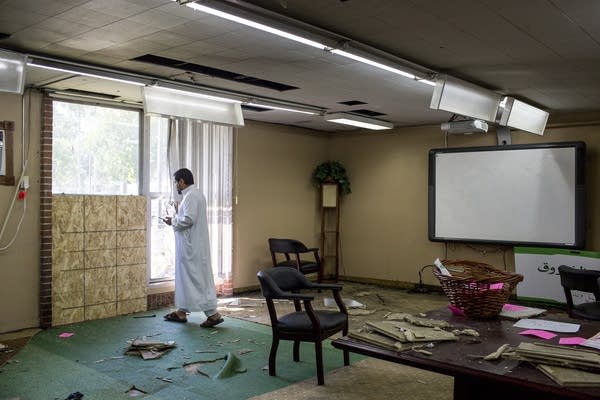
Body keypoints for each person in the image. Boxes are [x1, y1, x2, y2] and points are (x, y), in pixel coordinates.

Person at [162, 168, 224, 328]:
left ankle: (213, 314)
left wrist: (173, 221)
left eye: (176, 182)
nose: (176, 185)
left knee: (196, 280)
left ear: (182, 181)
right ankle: (181, 312)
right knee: (187, 279)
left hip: (192, 247)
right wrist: (177, 214)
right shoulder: (195, 195)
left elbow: (188, 220)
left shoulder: (191, 196)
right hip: (192, 246)